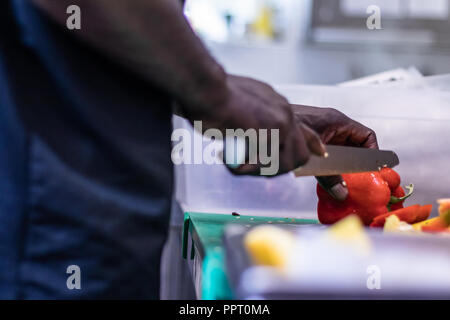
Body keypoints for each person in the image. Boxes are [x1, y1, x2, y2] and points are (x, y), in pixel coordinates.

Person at [0, 0, 378, 299]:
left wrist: (244, 102)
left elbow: (115, 47)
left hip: (86, 210)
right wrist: (218, 95)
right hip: (49, 218)